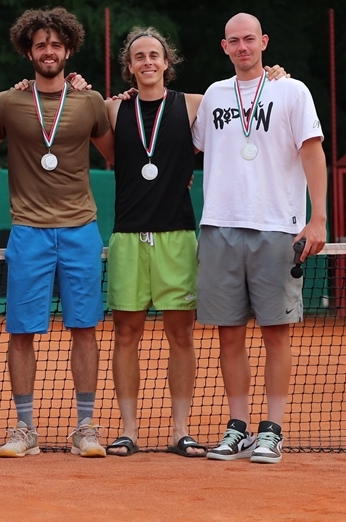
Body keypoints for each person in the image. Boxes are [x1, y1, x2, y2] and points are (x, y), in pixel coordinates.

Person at [103, 28, 291, 458]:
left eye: (154, 55)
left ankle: (180, 431)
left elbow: (247, 100)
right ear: (129, 66)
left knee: (181, 335)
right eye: (139, 57)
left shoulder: (196, 105)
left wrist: (274, 76)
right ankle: (128, 429)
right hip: (128, 236)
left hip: (179, 236)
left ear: (167, 62)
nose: (148, 62)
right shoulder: (113, 109)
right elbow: (83, 127)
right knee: (125, 334)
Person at [0, 7, 114, 458]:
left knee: (84, 329)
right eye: (41, 44)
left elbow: (120, 156)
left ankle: (85, 428)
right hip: (28, 232)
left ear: (69, 49)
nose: (49, 51)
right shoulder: (7, 103)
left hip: (81, 230)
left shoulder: (90, 102)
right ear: (28, 51)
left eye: (56, 44)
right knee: (21, 332)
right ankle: (25, 429)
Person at [194, 13, 326, 465]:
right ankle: (237, 428)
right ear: (225, 47)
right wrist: (131, 91)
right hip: (219, 227)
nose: (243, 46)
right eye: (235, 41)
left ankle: (272, 430)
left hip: (277, 228)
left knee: (276, 336)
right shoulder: (213, 95)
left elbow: (312, 151)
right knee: (228, 337)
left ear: (264, 41)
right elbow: (180, 118)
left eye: (250, 38)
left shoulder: (292, 91)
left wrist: (318, 218)